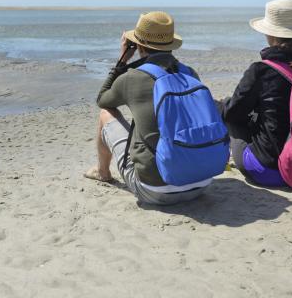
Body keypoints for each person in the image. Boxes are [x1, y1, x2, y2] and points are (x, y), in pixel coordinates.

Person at [84, 11, 217, 205]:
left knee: (106, 113)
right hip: (202, 183)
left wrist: (122, 61)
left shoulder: (132, 78)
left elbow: (102, 99)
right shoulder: (190, 73)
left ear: (139, 45)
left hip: (155, 190)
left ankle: (102, 172)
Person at [219, 0, 292, 187]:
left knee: (230, 116)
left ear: (271, 33)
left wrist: (221, 105)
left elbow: (233, 114)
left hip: (271, 171)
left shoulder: (262, 70)